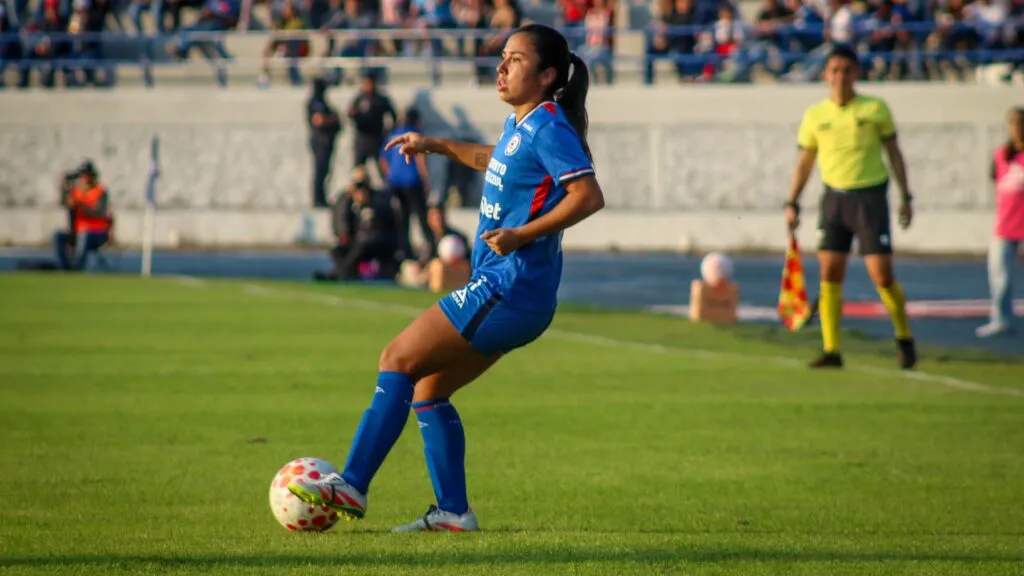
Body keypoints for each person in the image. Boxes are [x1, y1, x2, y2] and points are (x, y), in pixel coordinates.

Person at [288, 23, 604, 532]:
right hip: (517, 292)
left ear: (547, 76)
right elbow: (494, 160)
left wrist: (522, 234)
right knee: (427, 390)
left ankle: (352, 483)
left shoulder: (549, 126)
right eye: (503, 56)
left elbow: (588, 196)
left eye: (516, 60)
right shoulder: (522, 124)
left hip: (509, 286)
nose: (502, 67)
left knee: (396, 358)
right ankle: (453, 512)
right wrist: (436, 145)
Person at [785, 45, 916, 370]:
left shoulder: (874, 108)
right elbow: (804, 163)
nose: (840, 76)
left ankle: (903, 336)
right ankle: (832, 350)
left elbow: (894, 154)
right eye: (835, 70)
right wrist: (792, 201)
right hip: (834, 199)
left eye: (847, 69)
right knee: (829, 273)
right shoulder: (816, 115)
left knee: (882, 276)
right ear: (826, 75)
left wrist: (906, 196)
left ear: (856, 73)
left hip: (869, 198)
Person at [976, 106, 1024, 338]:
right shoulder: (1001, 155)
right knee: (1000, 276)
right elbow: (996, 180)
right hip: (1006, 225)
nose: (1017, 127)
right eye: (1013, 122)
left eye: (1021, 122)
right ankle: (1000, 319)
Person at [313, 167, 402, 281]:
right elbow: (340, 220)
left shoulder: (379, 199)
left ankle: (340, 273)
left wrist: (367, 205)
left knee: (360, 246)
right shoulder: (346, 200)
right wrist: (344, 232)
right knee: (337, 250)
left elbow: (381, 225)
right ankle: (346, 271)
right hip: (359, 240)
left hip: (377, 241)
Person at [380, 107, 434, 259]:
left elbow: (383, 158)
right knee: (422, 217)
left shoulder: (394, 135)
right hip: (412, 182)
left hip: (395, 182)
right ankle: (432, 247)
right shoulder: (414, 135)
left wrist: (389, 174)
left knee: (403, 218)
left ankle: (405, 251)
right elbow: (419, 158)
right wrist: (425, 179)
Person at [52, 160, 112, 271]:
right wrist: (63, 189)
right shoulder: (76, 191)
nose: (84, 178)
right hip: (77, 232)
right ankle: (65, 267)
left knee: (85, 235)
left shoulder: (100, 191)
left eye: (87, 175)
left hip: (97, 233)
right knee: (58, 235)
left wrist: (81, 206)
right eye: (82, 175)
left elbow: (100, 212)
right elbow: (64, 203)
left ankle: (77, 267)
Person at [307, 77, 343, 208]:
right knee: (320, 170)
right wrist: (333, 119)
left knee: (325, 171)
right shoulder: (316, 102)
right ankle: (318, 199)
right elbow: (319, 120)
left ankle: (321, 198)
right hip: (321, 140)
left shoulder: (320, 101)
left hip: (325, 140)